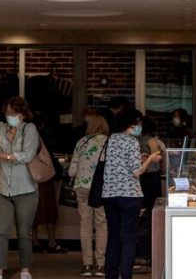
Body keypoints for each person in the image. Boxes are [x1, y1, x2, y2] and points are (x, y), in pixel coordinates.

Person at [0, 96, 40, 279]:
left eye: (13, 114)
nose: (9, 117)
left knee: (24, 232)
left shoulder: (30, 129)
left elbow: (28, 155)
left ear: (22, 114)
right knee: (2, 230)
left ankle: (25, 269)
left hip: (26, 189)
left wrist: (3, 156)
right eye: (7, 113)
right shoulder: (0, 128)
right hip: (1, 187)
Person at [101, 108, 162, 279]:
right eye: (137, 123)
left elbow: (119, 163)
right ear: (130, 124)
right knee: (128, 238)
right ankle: (126, 276)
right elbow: (136, 172)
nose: (139, 127)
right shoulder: (132, 142)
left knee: (113, 237)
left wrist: (140, 157)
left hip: (110, 195)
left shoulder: (111, 139)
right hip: (129, 195)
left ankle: (111, 276)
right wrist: (150, 159)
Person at [68, 110, 109, 277]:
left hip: (83, 187)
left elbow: (71, 171)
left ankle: (87, 265)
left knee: (85, 224)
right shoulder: (108, 142)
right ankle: (100, 265)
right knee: (101, 224)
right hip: (101, 188)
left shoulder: (82, 142)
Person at [135, 115, 166, 272]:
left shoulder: (134, 140)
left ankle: (139, 254)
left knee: (141, 215)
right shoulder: (152, 141)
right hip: (150, 179)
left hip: (140, 179)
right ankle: (147, 254)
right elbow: (158, 160)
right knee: (149, 214)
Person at [31, 114, 66, 255]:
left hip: (30, 178)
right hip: (44, 178)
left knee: (33, 212)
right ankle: (51, 241)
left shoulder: (27, 138)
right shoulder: (45, 137)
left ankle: (35, 241)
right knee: (49, 211)